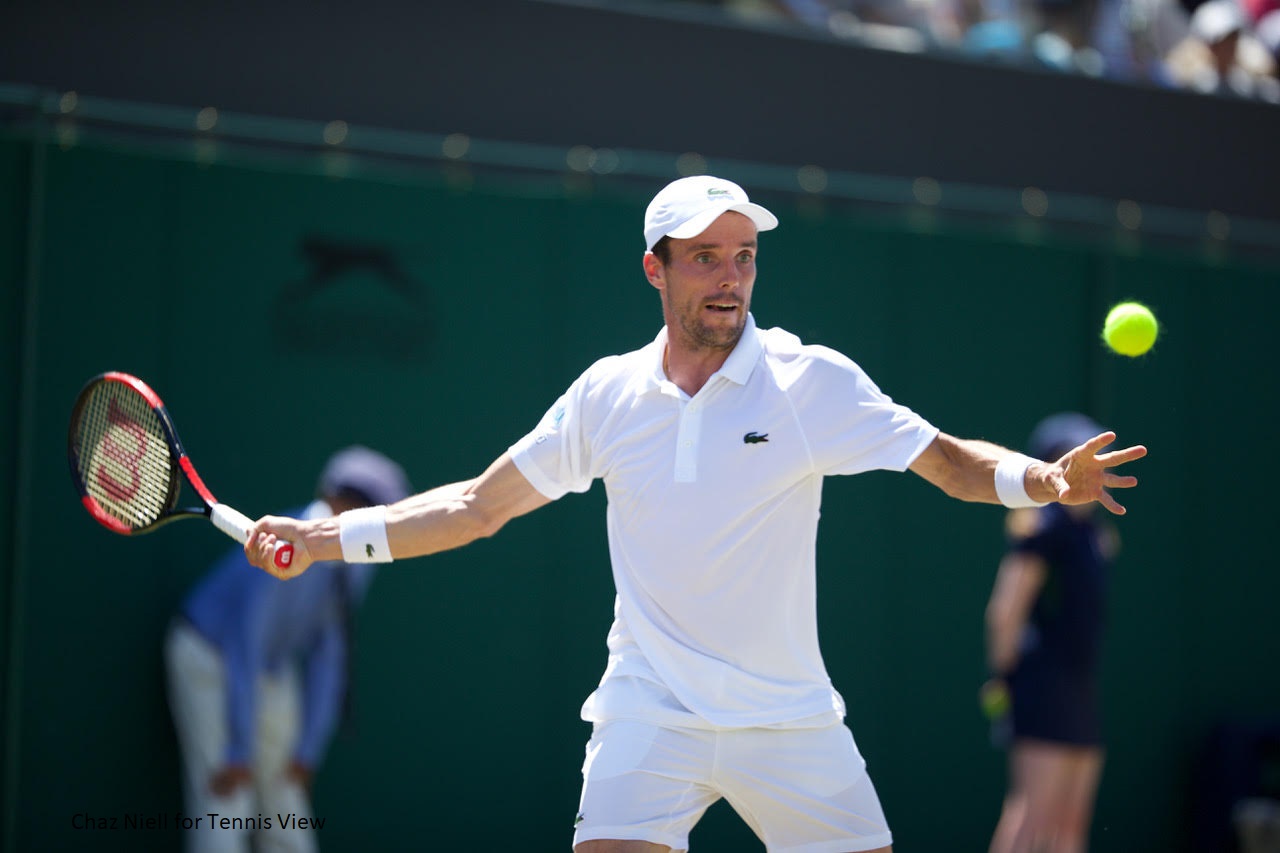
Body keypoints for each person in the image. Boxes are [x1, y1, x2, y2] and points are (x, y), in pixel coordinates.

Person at [243, 175, 1147, 853]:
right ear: (656, 268)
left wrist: (1040, 481)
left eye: (744, 255)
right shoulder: (607, 396)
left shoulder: (811, 383)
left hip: (789, 720)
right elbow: (478, 506)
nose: (730, 277)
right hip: (650, 712)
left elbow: (949, 462)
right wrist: (321, 540)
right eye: (706, 257)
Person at [165, 446, 411, 853]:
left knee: (286, 802)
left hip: (268, 667)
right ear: (342, 504)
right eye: (377, 514)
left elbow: (329, 654)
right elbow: (244, 643)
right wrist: (238, 750)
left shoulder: (360, 564)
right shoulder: (283, 546)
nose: (383, 530)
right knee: (226, 799)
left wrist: (307, 751)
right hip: (207, 655)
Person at [982, 413, 1117, 853]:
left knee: (1071, 823)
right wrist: (1005, 678)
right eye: (1072, 459)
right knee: (1032, 817)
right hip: (1041, 682)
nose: (1088, 468)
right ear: (1051, 467)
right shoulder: (1043, 527)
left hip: (1081, 682)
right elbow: (1006, 610)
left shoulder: (1095, 535)